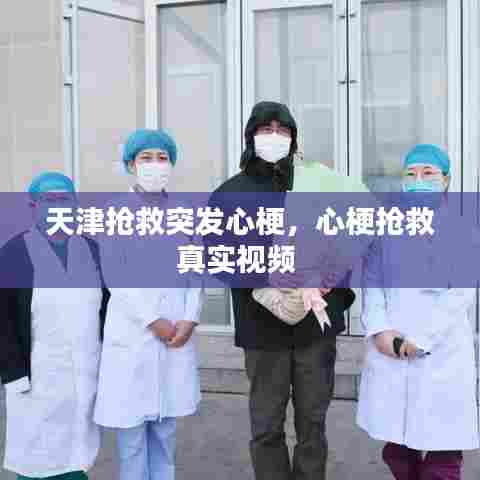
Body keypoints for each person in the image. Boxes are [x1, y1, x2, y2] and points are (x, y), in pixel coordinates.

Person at [211, 101, 356, 480]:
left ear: (294, 138)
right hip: (262, 328)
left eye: (283, 130)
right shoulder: (230, 193)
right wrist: (264, 275)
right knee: (266, 425)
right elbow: (214, 255)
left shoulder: (320, 185)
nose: (275, 136)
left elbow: (349, 240)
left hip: (315, 326)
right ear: (251, 136)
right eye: (266, 129)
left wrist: (333, 279)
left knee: (313, 424)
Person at [357, 144, 480, 480]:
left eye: (428, 173)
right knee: (397, 449)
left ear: (446, 180)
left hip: (441, 354)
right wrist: (380, 331)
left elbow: (461, 294)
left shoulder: (463, 230)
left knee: (442, 454)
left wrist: (421, 340)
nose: (418, 180)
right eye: (411, 174)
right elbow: (372, 281)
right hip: (391, 349)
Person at [93, 129, 204, 480]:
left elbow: (195, 268)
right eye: (146, 158)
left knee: (165, 433)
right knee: (132, 440)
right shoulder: (114, 212)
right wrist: (153, 320)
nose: (155, 165)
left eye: (162, 158)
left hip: (176, 335)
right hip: (134, 335)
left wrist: (190, 318)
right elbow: (116, 275)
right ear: (131, 164)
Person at [0, 172, 110, 480]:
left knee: (77, 455)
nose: (58, 206)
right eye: (49, 199)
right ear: (33, 206)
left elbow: (109, 309)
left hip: (86, 371)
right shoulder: (13, 253)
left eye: (65, 199)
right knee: (37, 456)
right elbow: (3, 321)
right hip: (37, 376)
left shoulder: (91, 250)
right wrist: (13, 375)